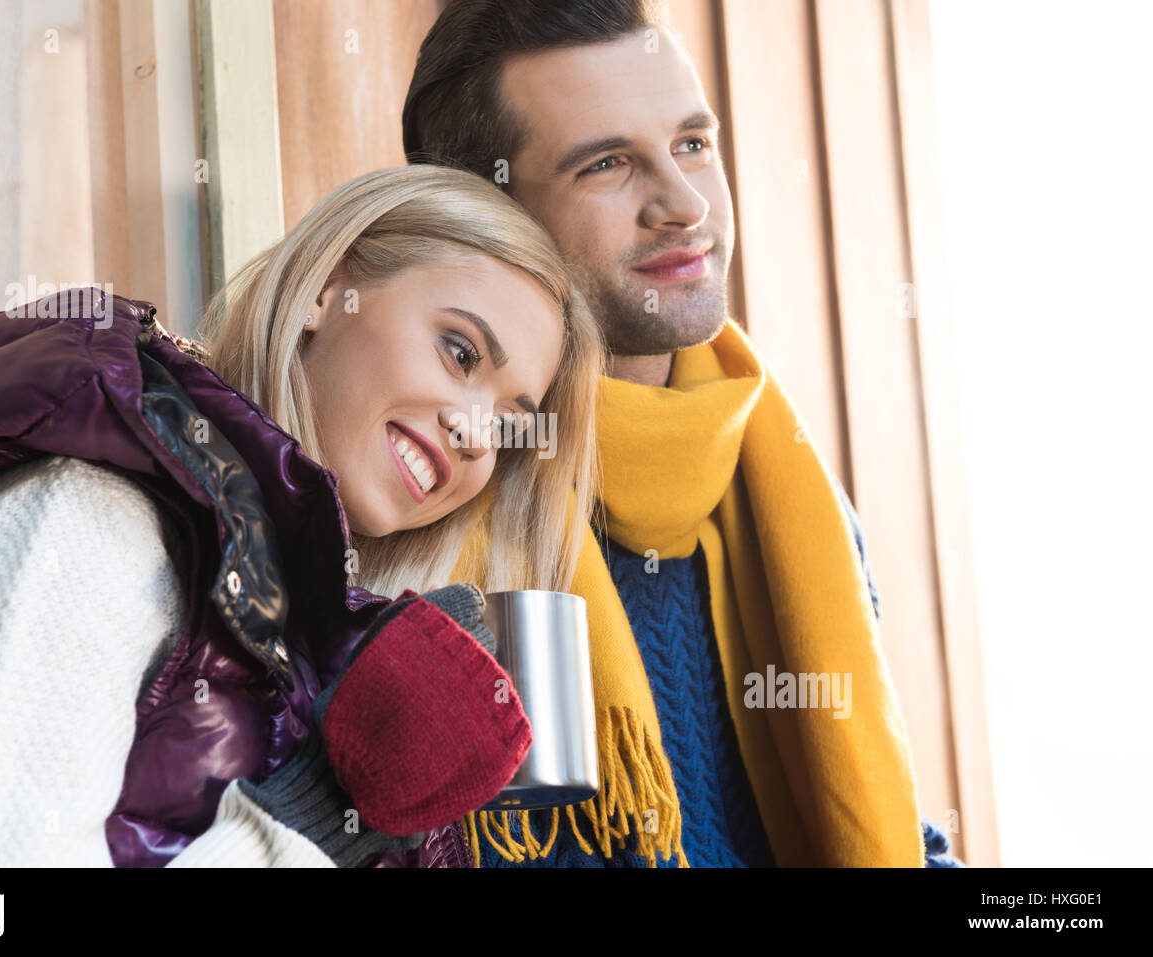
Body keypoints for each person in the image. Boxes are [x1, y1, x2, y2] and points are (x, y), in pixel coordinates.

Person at [0, 164, 605, 867]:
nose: (476, 433)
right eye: (460, 352)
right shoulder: (85, 519)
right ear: (326, 289)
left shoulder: (310, 642)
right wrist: (305, 819)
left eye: (509, 426)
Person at [404, 0, 962, 867]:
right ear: (487, 218)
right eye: (608, 164)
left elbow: (896, 834)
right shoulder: (433, 510)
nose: (682, 203)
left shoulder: (787, 487)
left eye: (693, 144)